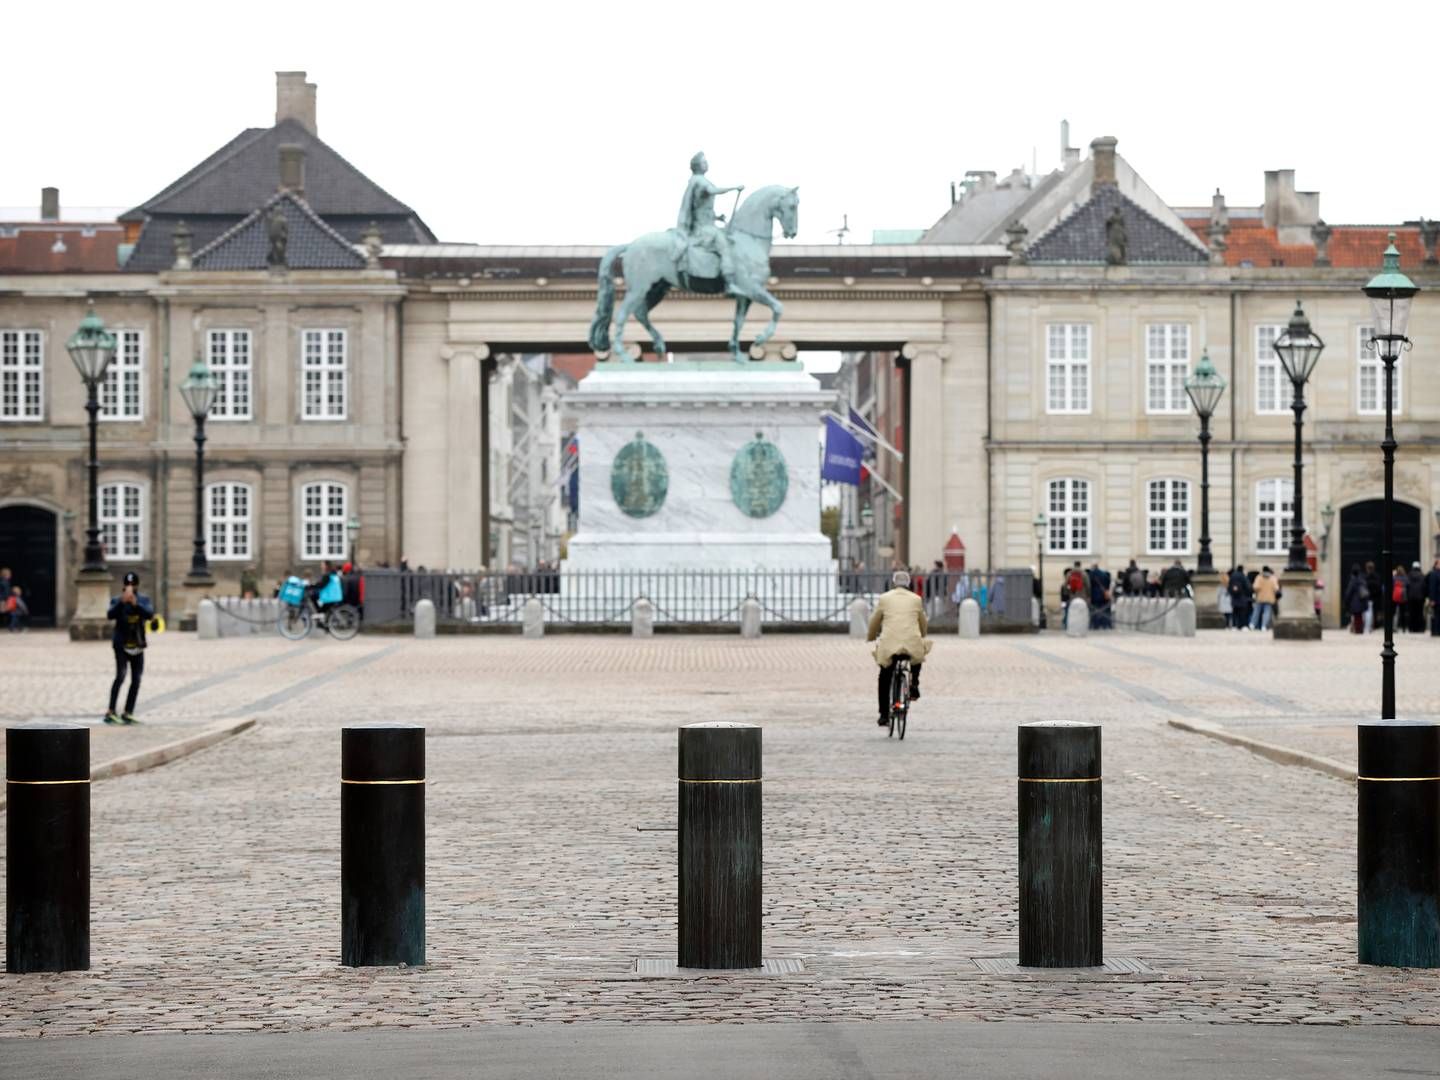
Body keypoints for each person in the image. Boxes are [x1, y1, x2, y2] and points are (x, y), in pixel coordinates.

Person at [866, 570, 933, 727]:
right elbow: (923, 622)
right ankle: (914, 684)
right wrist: (922, 634)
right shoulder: (916, 599)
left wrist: (871, 636)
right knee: (918, 651)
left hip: (890, 644)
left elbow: (874, 621)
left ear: (894, 583)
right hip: (911, 642)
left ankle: (883, 714)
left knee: (884, 676)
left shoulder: (884, 598)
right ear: (908, 584)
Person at [676, 151, 743, 289]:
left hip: (706, 224)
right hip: (704, 229)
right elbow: (712, 191)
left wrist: (717, 217)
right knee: (725, 246)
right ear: (698, 166)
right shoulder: (699, 181)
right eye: (704, 162)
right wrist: (734, 188)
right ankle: (730, 283)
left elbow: (699, 209)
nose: (707, 164)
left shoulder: (695, 181)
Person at [106, 571, 154, 725]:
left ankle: (128, 711)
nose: (130, 587)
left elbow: (149, 614)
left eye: (133, 585)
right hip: (121, 644)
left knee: (136, 679)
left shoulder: (143, 600)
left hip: (137, 645)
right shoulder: (116, 600)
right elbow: (110, 614)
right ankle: (111, 711)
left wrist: (135, 604)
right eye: (127, 584)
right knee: (120, 676)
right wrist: (122, 602)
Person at [1343, 564, 1370, 634]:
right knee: (1360, 616)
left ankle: (1358, 629)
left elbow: (1349, 591)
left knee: (1356, 616)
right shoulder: (1362, 579)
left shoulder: (1353, 580)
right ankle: (1360, 629)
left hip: (1355, 601)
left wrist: (1346, 600)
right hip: (1362, 600)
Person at [1250, 566, 1278, 631]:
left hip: (1260, 597)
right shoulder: (1273, 578)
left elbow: (1255, 587)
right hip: (1269, 598)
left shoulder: (1259, 577)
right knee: (1267, 613)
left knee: (1256, 611)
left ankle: (1252, 624)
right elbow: (1276, 588)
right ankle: (1264, 626)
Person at [1229, 565, 1252, 631]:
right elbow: (1248, 587)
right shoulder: (1243, 576)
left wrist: (1232, 594)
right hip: (1242, 597)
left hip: (1234, 597)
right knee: (1242, 612)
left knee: (1234, 612)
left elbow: (1229, 586)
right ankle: (1242, 626)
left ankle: (1234, 626)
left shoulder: (1232, 576)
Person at [1407, 561, 1427, 634]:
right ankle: (1419, 628)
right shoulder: (1422, 575)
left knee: (1412, 613)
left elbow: (1407, 586)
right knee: (1420, 613)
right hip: (1420, 597)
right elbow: (1424, 587)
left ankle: (1411, 628)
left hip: (1411, 597)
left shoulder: (1409, 575)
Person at [1364, 561, 1382, 633]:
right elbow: (1379, 587)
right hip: (1376, 597)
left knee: (1368, 613)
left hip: (1368, 597)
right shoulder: (1377, 576)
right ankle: (1375, 625)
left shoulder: (1365, 577)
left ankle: (1369, 626)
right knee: (1375, 612)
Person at [1427, 559, 1440, 637]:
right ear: (1436, 565)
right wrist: (1432, 599)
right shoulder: (1433, 573)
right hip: (1436, 599)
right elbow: (1432, 587)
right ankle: (1435, 631)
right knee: (1435, 615)